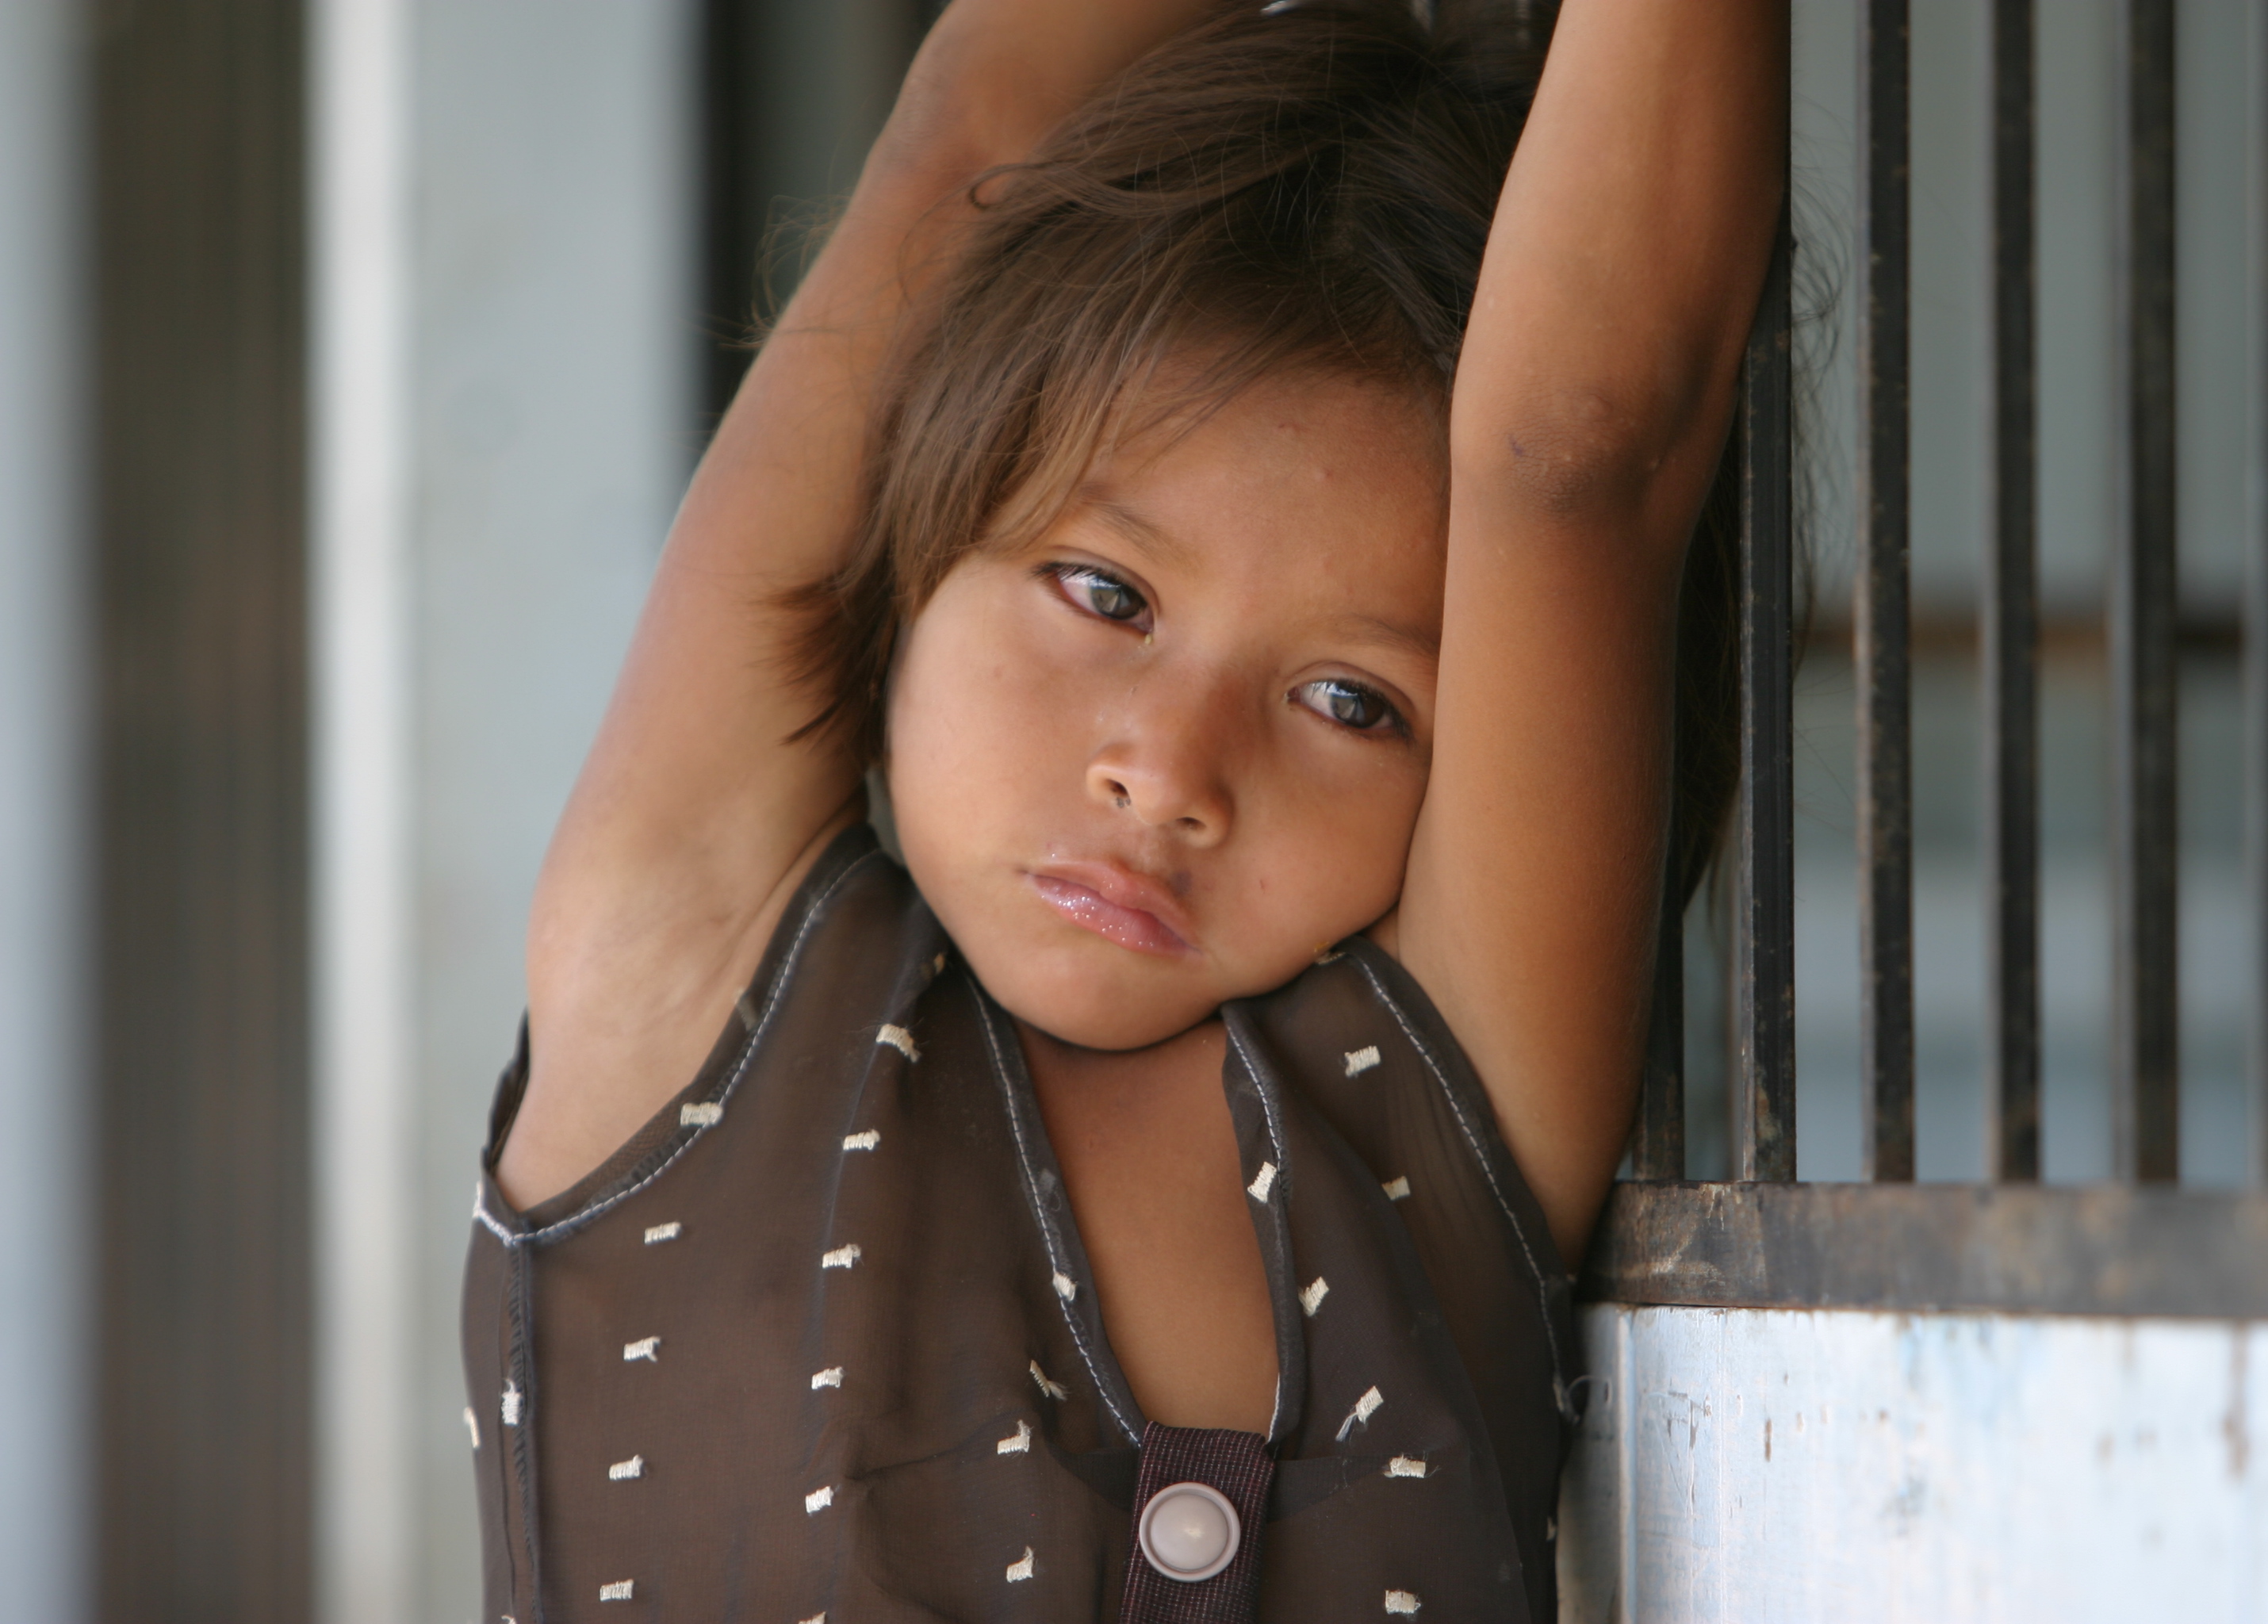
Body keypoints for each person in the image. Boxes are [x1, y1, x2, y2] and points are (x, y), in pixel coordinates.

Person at [461, 0, 1783, 1618]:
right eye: (1104, 592)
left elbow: (1585, 451)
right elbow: (971, 141)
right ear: (910, 548)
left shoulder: (1439, 1109)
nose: (1167, 770)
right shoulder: (683, 968)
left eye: (1351, 702)